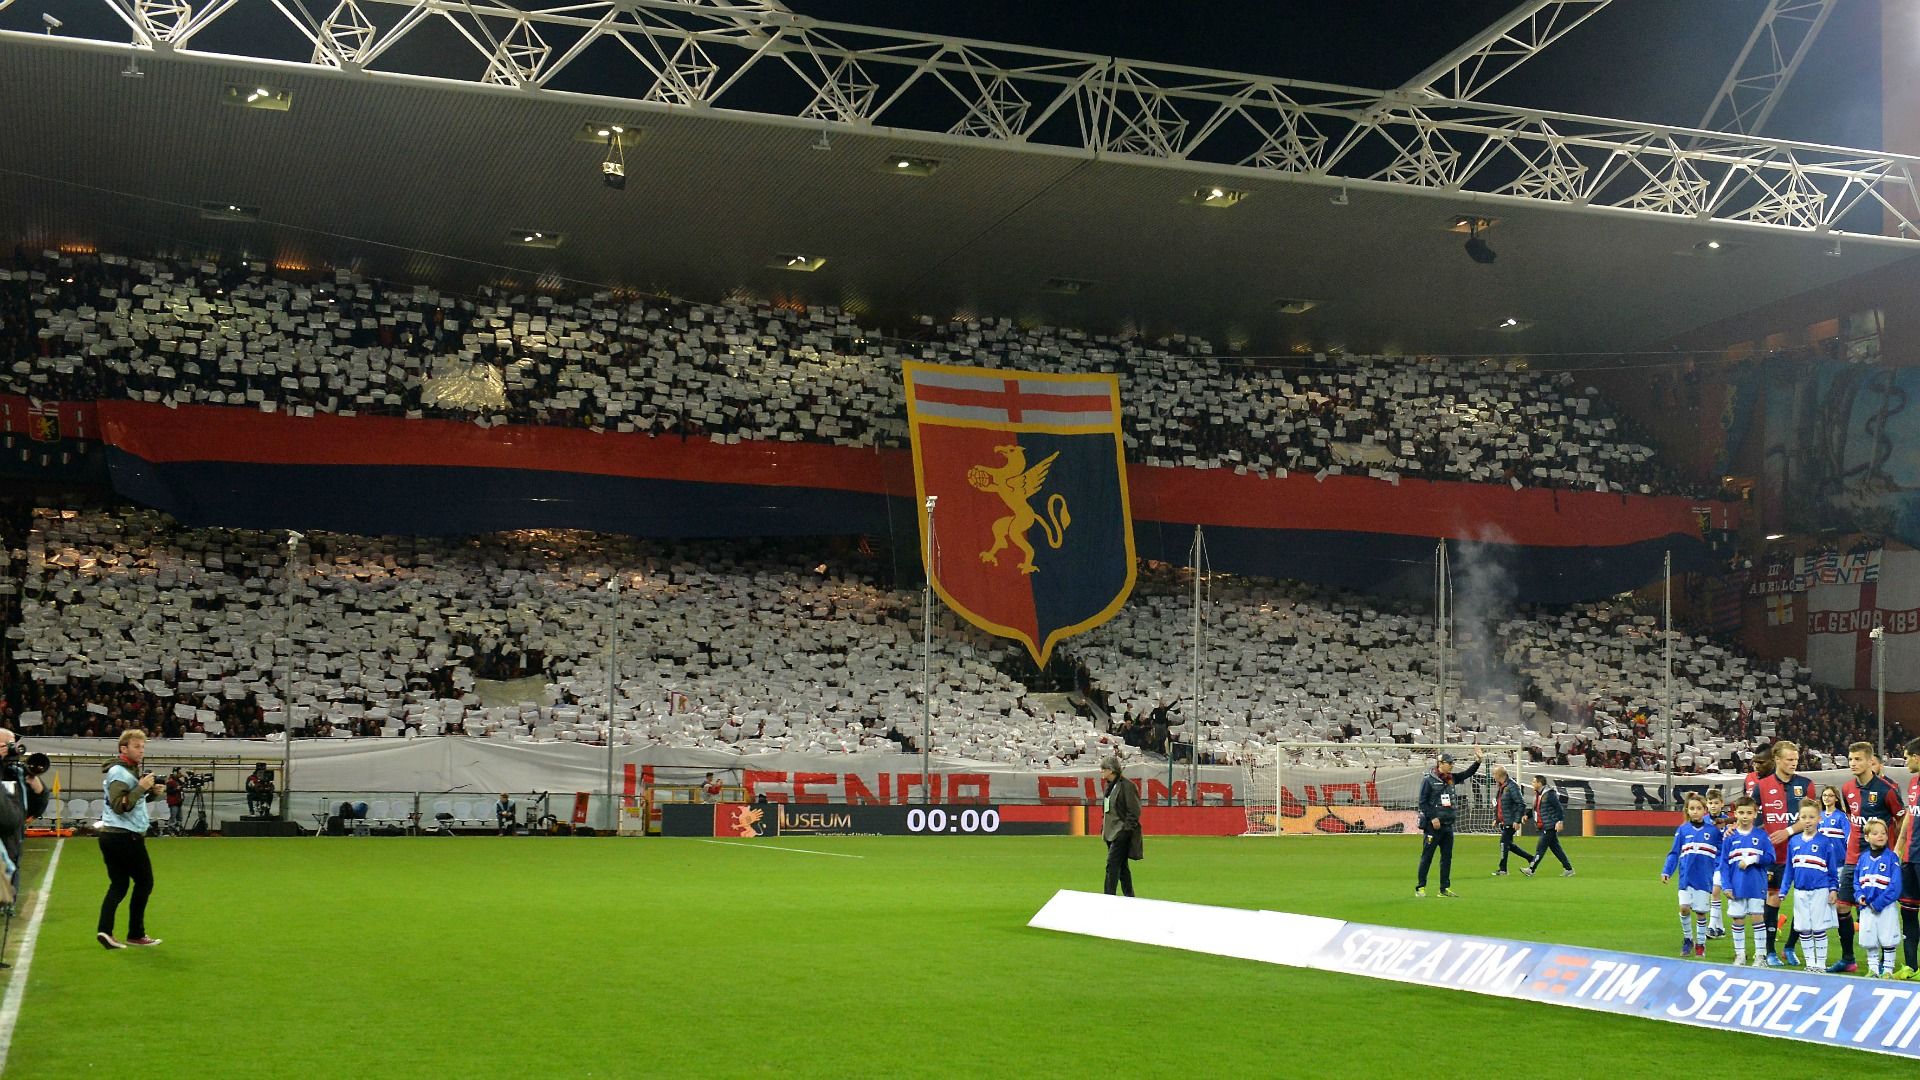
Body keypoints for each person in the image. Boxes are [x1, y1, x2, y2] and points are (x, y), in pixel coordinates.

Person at [1833, 746, 1902, 973]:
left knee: (1881, 908)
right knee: (1842, 907)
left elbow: (1900, 820)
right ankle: (1848, 958)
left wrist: (1898, 850)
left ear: (1870, 760)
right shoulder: (1846, 788)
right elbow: (1853, 817)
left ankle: (1885, 961)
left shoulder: (1887, 789)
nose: (1852, 763)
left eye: (1858, 759)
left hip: (1881, 858)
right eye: (1851, 759)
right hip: (1854, 857)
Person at [98, 729, 160, 949]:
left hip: (114, 836)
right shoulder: (119, 772)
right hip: (125, 836)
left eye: (143, 746)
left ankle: (105, 931)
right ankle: (136, 933)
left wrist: (151, 792)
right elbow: (121, 805)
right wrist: (141, 788)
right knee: (144, 882)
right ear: (123, 749)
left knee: (119, 884)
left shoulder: (128, 770)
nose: (141, 750)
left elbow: (130, 800)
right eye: (136, 746)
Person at [1753, 740, 1812, 967]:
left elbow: (1808, 818)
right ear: (1777, 759)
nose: (1793, 763)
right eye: (1789, 759)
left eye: (1796, 759)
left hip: (1801, 854)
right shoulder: (1762, 785)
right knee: (1773, 900)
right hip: (1775, 855)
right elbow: (1751, 814)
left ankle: (1790, 946)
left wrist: (1787, 831)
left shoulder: (1806, 785)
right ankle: (1769, 950)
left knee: (1803, 901)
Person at [1415, 745, 1483, 897]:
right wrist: (1433, 817)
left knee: (1447, 858)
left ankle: (1444, 888)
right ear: (1441, 764)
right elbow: (1423, 802)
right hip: (1433, 827)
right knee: (1427, 856)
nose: (1452, 765)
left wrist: (1478, 761)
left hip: (1448, 826)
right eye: (1449, 763)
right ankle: (1421, 887)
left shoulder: (1451, 778)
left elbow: (1467, 774)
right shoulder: (1429, 780)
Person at [1719, 796, 1775, 966]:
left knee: (1757, 918)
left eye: (1749, 813)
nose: (1745, 816)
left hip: (1756, 884)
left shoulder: (1762, 836)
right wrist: (1726, 885)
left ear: (1755, 814)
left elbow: (1770, 857)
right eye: (1741, 812)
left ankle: (1760, 955)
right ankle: (1740, 954)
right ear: (1735, 813)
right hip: (1736, 885)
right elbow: (1723, 864)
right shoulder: (1729, 837)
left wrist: (1753, 859)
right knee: (1738, 919)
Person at [1661, 793, 1718, 958]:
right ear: (1687, 810)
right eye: (1692, 808)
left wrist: (1718, 869)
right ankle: (1687, 939)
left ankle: (1700, 943)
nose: (1695, 811)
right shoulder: (1683, 830)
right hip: (1685, 878)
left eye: (1699, 808)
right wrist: (1667, 871)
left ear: (1705, 810)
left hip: (1704, 878)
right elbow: (1674, 853)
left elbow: (1722, 852)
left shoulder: (1713, 832)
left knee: (1701, 912)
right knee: (1684, 908)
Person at [1784, 803, 1838, 971]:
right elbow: (1788, 868)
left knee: (1819, 928)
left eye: (1812, 817)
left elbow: (1832, 869)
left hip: (1820, 891)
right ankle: (1810, 964)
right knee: (1803, 928)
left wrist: (1833, 888)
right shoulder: (1793, 842)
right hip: (1800, 892)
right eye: (1804, 817)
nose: (1807, 821)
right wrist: (1784, 889)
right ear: (1798, 819)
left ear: (1819, 819)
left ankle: (1820, 964)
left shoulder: (1825, 842)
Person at [0, 729, 49, 900]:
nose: (11, 748)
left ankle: (8, 904)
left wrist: (39, 790)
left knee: (12, 867)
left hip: (12, 835)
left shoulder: (19, 772)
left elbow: (37, 808)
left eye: (13, 743)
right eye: (6, 744)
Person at [1856, 818, 1904, 977]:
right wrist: (1859, 896)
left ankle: (1888, 970)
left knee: (1888, 938)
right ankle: (1873, 969)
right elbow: (1856, 881)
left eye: (1883, 833)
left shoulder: (1891, 858)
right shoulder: (1863, 858)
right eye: (1875, 833)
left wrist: (1879, 903)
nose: (1881, 836)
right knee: (1870, 940)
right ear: (1867, 837)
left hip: (1885, 907)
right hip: (1867, 908)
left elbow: (1895, 886)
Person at [1894, 737, 1920, 978]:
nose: (1905, 762)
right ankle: (1911, 967)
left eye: (1907, 757)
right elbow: (1910, 818)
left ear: (1917, 757)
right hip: (1910, 858)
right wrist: (1899, 848)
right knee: (1908, 912)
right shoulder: (1913, 783)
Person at [1099, 756, 1141, 897]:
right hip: (1110, 833)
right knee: (1122, 867)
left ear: (1111, 770)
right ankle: (1130, 897)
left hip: (1120, 833)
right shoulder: (1110, 786)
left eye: (1103, 769)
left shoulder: (1128, 786)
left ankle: (1108, 896)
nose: (1101, 772)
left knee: (1112, 865)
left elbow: (1134, 811)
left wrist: (1125, 831)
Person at [1521, 773, 1574, 877]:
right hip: (1544, 825)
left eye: (1534, 781)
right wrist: (1527, 816)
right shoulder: (1538, 794)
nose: (1532, 783)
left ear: (1540, 783)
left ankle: (1531, 869)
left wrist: (1560, 821)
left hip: (1549, 826)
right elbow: (1537, 809)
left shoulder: (1549, 794)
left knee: (1540, 848)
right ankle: (1568, 869)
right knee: (1556, 849)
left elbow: (1559, 808)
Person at [1490, 765, 1530, 876]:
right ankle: (1530, 858)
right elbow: (1498, 805)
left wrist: (1517, 821)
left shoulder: (1512, 786)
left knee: (1503, 843)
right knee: (1508, 845)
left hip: (1510, 821)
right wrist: (1496, 819)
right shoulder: (1501, 786)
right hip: (1504, 821)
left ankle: (1503, 869)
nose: (1493, 776)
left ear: (1499, 775)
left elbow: (1521, 804)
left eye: (1494, 774)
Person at [1703, 788, 1729, 939]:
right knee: (1712, 893)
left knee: (1715, 891)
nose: (1713, 805)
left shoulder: (1728, 821)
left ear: (1722, 804)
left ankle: (1712, 926)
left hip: (1722, 861)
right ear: (1707, 804)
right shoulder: (1703, 820)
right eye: (1710, 803)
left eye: (1716, 803)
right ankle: (1720, 928)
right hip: (1708, 862)